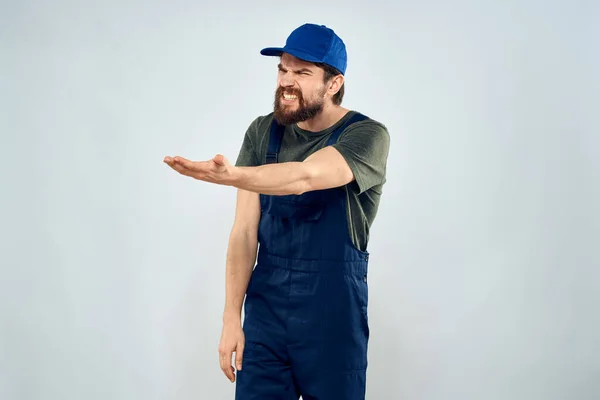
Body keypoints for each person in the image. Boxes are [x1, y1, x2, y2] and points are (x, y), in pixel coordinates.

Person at [164, 23, 390, 400]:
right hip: (266, 314)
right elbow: (243, 232)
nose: (287, 81)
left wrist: (232, 176)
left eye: (302, 73)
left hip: (332, 318)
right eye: (283, 69)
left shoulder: (366, 136)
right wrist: (230, 318)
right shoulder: (262, 132)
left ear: (333, 84)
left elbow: (304, 176)